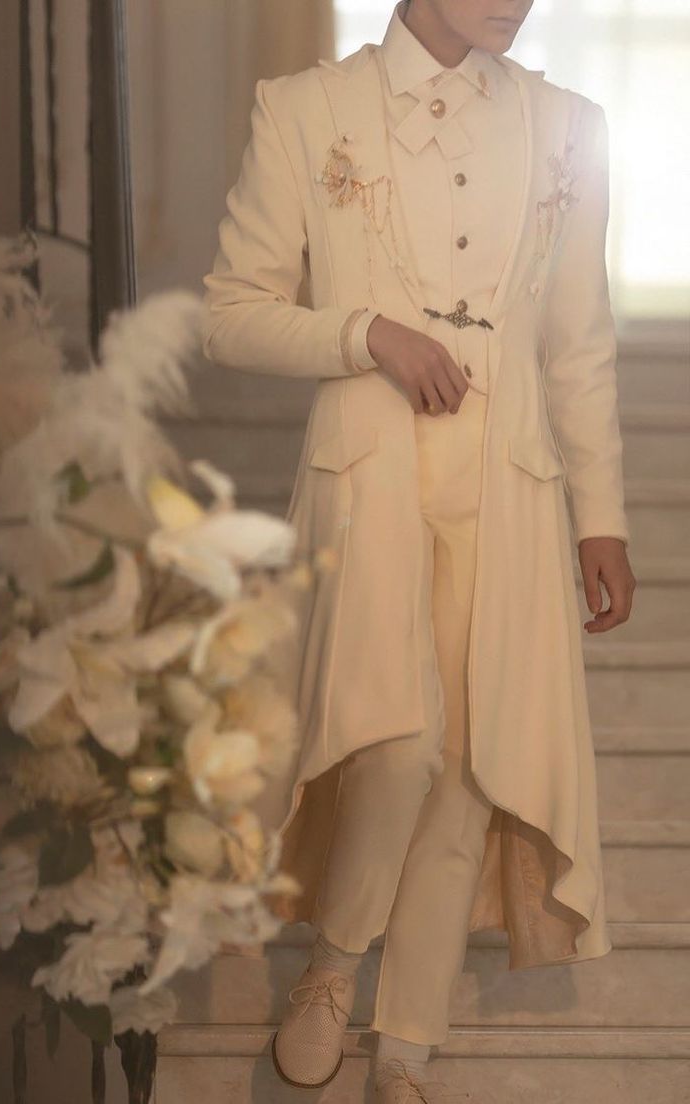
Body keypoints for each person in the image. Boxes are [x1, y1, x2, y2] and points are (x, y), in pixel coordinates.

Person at [200, 1, 637, 1100]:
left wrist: (603, 517)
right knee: (396, 744)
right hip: (369, 473)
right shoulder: (306, 109)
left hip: (514, 481)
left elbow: (578, 342)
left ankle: (408, 1045)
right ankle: (333, 969)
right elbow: (229, 314)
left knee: (470, 767)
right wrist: (365, 335)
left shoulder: (568, 125)